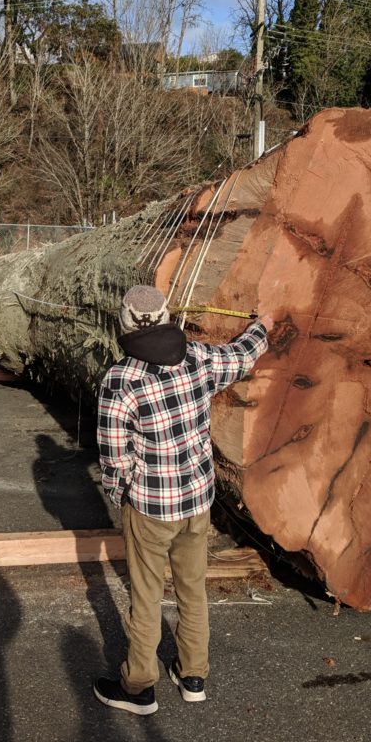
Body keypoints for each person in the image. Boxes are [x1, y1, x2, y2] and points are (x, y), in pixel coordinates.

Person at [93, 285, 273, 716]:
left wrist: (123, 498)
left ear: (124, 324)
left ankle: (139, 688)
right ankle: (193, 676)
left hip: (150, 508)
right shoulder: (197, 358)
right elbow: (243, 355)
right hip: (197, 502)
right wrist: (263, 325)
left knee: (146, 596)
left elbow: (115, 459)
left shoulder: (120, 380)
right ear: (166, 317)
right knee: (193, 589)